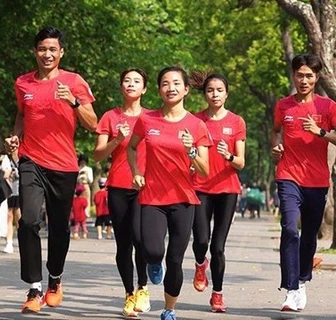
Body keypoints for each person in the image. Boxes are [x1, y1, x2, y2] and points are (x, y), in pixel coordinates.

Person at [7, 26, 97, 314]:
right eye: (42, 49)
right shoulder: (23, 83)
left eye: (52, 49)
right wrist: (15, 136)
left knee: (59, 228)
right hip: (31, 160)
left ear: (61, 52)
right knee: (29, 221)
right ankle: (34, 287)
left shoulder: (75, 82)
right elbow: (22, 114)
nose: (47, 54)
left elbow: (93, 123)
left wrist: (73, 101)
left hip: (64, 165)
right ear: (35, 52)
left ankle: (54, 279)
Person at [128, 65, 212, 320]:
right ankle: (154, 263)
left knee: (175, 259)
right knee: (152, 251)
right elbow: (132, 148)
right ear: (159, 89)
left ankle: (169, 309)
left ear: (186, 89)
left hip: (183, 199)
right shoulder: (147, 119)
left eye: (176, 83)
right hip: (153, 196)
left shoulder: (196, 125)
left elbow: (205, 170)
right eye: (165, 83)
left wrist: (192, 151)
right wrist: (136, 171)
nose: (171, 88)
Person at [271, 53, 336, 312]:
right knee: (289, 228)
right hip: (288, 175)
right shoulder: (283, 106)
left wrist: (320, 132)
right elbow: (276, 130)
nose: (304, 80)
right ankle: (290, 289)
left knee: (309, 235)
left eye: (309, 75)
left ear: (317, 77)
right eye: (300, 75)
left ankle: (302, 278)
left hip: (317, 179)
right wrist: (275, 146)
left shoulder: (328, 107)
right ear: (294, 75)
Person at [93, 68, 150, 317]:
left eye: (136, 81)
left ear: (145, 89)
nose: (131, 84)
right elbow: (97, 155)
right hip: (117, 186)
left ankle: (143, 287)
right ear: (121, 87)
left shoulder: (152, 118)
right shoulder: (109, 116)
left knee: (141, 239)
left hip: (144, 188)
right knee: (124, 245)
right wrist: (116, 140)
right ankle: (129, 294)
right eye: (127, 80)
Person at [190, 72, 246, 312]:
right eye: (210, 90)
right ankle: (200, 263)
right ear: (205, 94)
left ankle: (218, 294)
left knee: (219, 246)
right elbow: (187, 154)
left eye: (219, 90)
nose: (215, 94)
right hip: (200, 187)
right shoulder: (195, 121)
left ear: (227, 93)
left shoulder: (236, 122)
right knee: (201, 240)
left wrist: (228, 155)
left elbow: (241, 162)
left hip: (227, 189)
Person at [4, 144, 21, 254]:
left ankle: (22, 240)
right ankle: (8, 242)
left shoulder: (21, 158)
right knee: (9, 216)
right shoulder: (6, 159)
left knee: (19, 217)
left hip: (20, 190)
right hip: (9, 191)